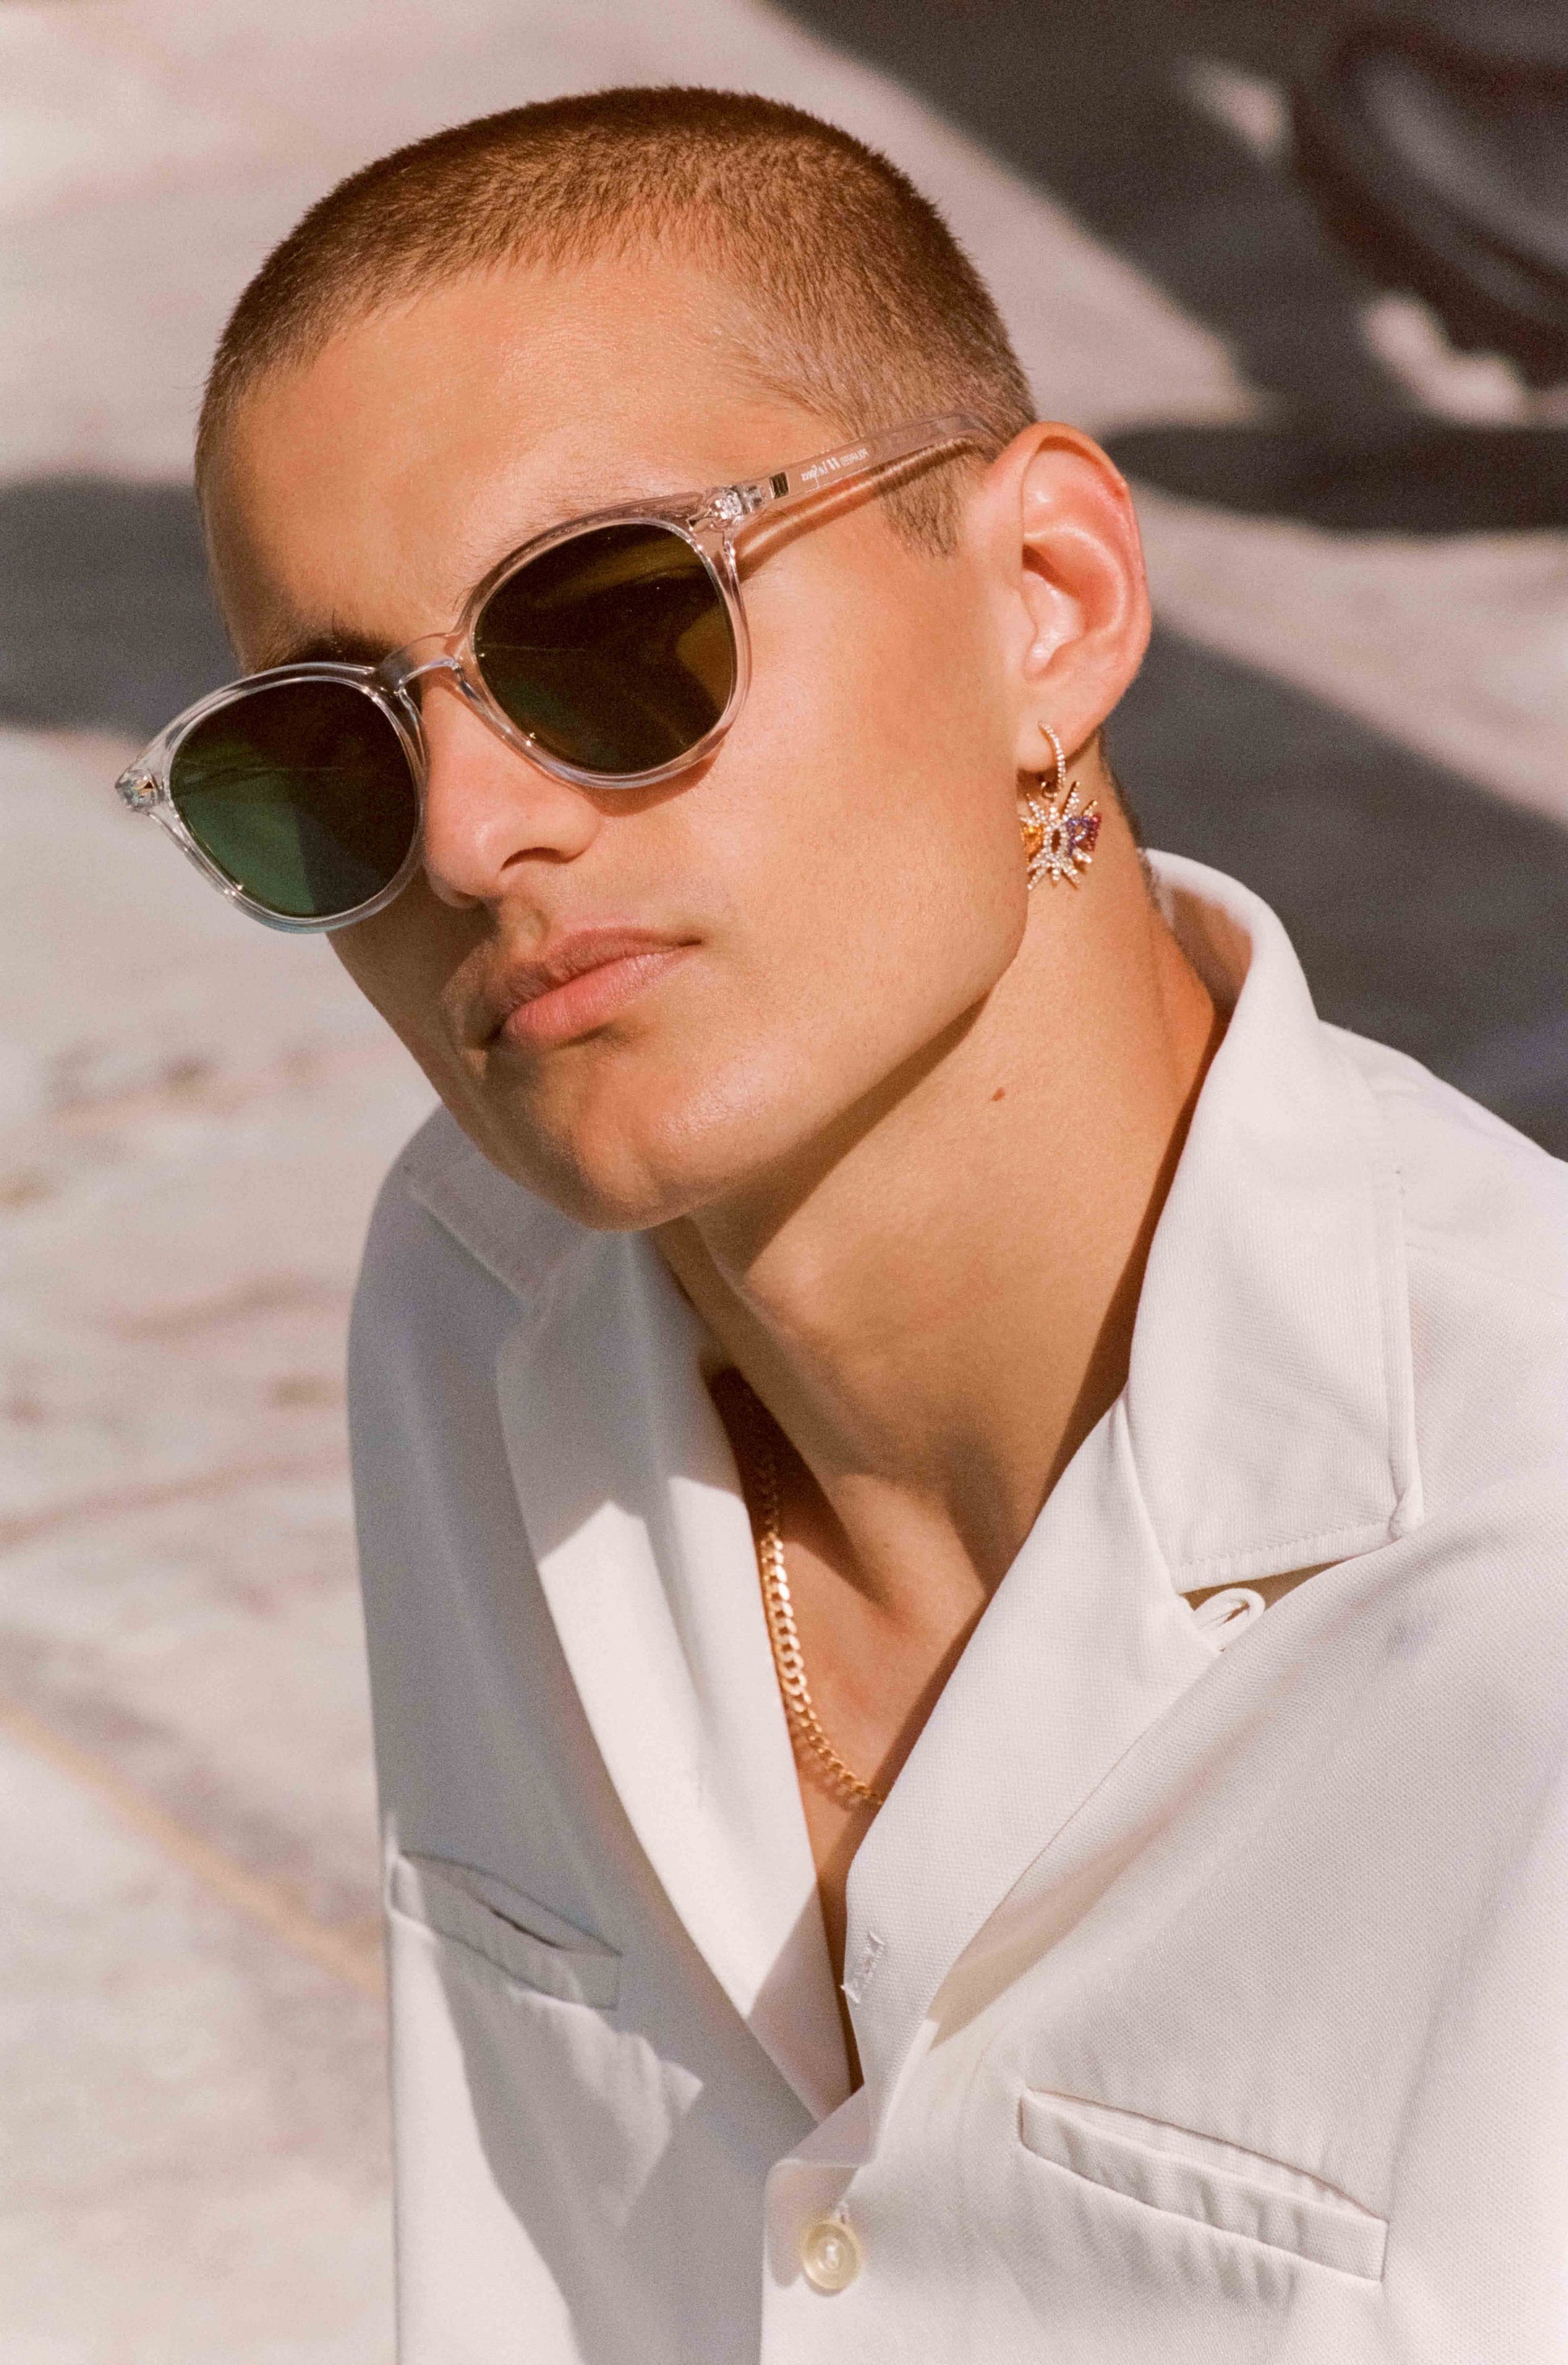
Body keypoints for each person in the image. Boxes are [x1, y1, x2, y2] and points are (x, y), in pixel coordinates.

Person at [114, 87, 1568, 2365]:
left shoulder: (1518, 1587)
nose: (475, 838)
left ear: (1047, 603)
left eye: (609, 635)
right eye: (324, 761)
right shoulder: (476, 1314)